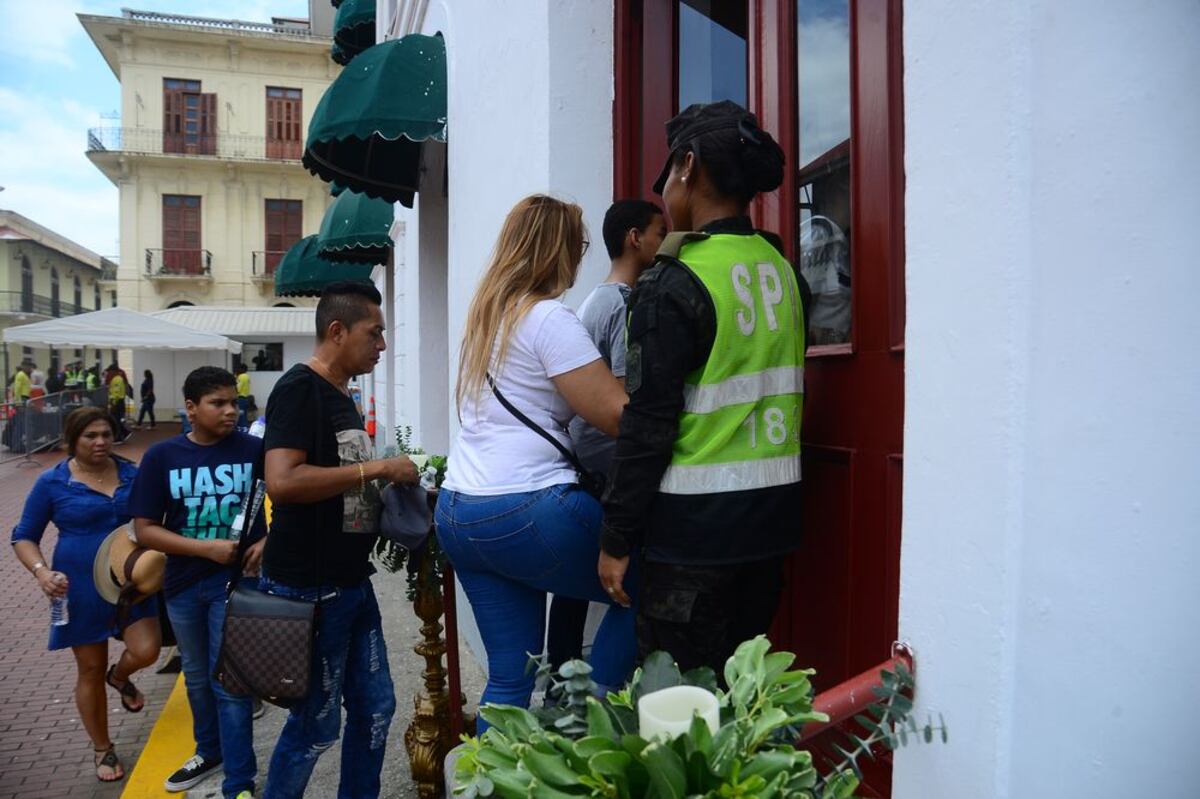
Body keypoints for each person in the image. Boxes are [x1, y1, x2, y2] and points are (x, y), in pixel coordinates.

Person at [598, 101, 808, 674]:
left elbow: (647, 425)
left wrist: (616, 538)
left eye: (667, 173)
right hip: (770, 531)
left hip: (693, 541)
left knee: (679, 718)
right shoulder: (782, 268)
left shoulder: (673, 282)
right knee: (742, 700)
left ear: (688, 165)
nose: (665, 188)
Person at [434, 194, 634, 724]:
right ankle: (589, 731)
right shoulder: (548, 318)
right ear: (560, 249)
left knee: (508, 676)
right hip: (527, 507)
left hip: (459, 512)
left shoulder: (487, 319)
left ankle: (490, 781)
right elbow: (616, 415)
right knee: (650, 584)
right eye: (580, 245)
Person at [260, 280, 417, 799]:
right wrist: (377, 468)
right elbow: (283, 480)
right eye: (375, 333)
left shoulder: (342, 392)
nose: (383, 345)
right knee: (314, 727)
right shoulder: (300, 388)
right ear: (336, 330)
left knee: (375, 709)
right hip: (309, 589)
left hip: (349, 582)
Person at [130, 367, 266, 798]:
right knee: (195, 675)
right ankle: (209, 751)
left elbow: (289, 499)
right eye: (218, 403)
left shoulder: (255, 450)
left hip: (238, 584)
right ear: (191, 408)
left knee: (230, 680)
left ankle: (238, 783)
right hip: (185, 584)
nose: (231, 410)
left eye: (235, 402)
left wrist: (271, 541)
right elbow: (145, 529)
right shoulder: (162, 457)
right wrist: (203, 549)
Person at [10, 407, 161, 783]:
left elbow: (155, 518)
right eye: (90, 436)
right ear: (71, 440)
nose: (100, 442)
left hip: (131, 580)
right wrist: (42, 573)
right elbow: (24, 535)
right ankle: (102, 747)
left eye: (106, 434)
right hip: (78, 584)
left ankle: (121, 676)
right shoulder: (52, 482)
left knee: (147, 650)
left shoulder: (131, 472)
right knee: (89, 669)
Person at [548, 200, 667, 671]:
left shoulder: (595, 299)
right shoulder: (622, 304)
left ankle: (561, 674)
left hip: (586, 455)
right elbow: (624, 396)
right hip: (608, 459)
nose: (665, 242)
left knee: (575, 584)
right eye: (660, 232)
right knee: (628, 577)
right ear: (634, 238)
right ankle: (604, 686)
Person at [108, 367, 129, 441]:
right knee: (118, 420)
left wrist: (113, 403)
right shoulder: (119, 379)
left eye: (109, 371)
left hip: (117, 402)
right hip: (119, 401)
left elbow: (116, 392)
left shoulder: (116, 379)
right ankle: (125, 432)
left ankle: (119, 437)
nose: (108, 373)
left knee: (116, 420)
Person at [234, 364, 251, 429]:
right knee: (244, 415)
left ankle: (242, 428)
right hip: (245, 398)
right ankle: (245, 428)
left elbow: (238, 389)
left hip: (240, 398)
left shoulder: (241, 376)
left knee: (240, 415)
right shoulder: (247, 376)